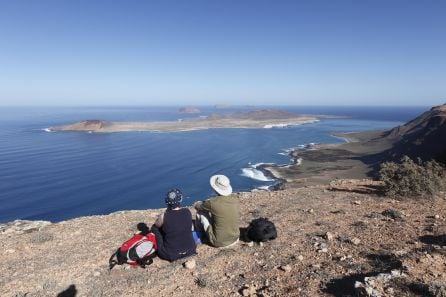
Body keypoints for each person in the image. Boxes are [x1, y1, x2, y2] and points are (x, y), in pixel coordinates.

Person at [194, 175, 240, 248]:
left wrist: (198, 203)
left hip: (219, 242)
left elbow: (198, 206)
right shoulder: (235, 199)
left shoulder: (212, 202)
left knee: (201, 213)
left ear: (215, 188)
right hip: (235, 238)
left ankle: (200, 235)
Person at [151, 189, 196, 261]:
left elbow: (156, 226)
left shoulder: (164, 216)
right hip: (191, 250)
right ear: (180, 200)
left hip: (170, 254)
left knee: (155, 229)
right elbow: (191, 229)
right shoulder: (187, 211)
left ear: (167, 202)